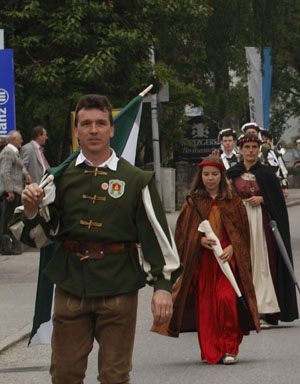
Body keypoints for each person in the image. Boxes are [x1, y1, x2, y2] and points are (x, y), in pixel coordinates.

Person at [15, 94, 178, 383]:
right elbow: (40, 237)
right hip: (70, 287)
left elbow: (156, 236)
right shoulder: (58, 178)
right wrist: (30, 209)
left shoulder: (135, 180)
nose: (93, 130)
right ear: (76, 130)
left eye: (101, 123)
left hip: (119, 286)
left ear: (111, 129)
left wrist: (163, 287)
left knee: (115, 376)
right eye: (86, 124)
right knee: (64, 375)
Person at [152, 154, 259, 364]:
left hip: (227, 261)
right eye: (206, 174)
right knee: (207, 307)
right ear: (200, 176)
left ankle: (229, 348)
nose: (210, 178)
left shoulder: (233, 201)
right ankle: (212, 350)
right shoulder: (193, 202)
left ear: (221, 176)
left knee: (226, 300)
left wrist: (232, 248)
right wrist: (199, 241)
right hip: (204, 263)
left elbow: (242, 234)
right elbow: (183, 235)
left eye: (214, 174)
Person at [226, 134, 298, 326]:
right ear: (240, 150)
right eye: (247, 147)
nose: (251, 151)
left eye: (254, 147)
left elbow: (278, 200)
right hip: (240, 222)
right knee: (243, 263)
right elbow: (225, 198)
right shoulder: (232, 173)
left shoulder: (266, 173)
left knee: (262, 263)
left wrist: (263, 199)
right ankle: (244, 310)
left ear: (259, 150)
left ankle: (264, 309)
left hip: (262, 224)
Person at [1, 130, 30, 255]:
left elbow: (19, 167)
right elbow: (4, 171)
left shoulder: (14, 152)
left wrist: (26, 174)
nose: (21, 141)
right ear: (13, 139)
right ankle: (6, 246)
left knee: (12, 217)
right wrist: (9, 190)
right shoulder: (8, 151)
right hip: (11, 190)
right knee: (8, 219)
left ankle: (11, 244)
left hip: (16, 189)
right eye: (20, 138)